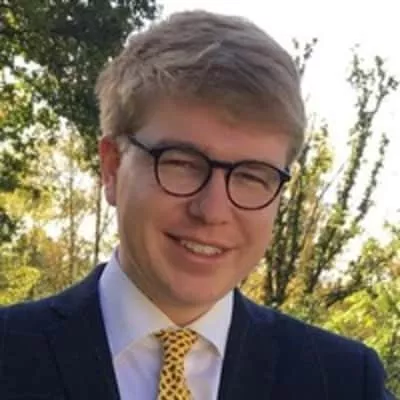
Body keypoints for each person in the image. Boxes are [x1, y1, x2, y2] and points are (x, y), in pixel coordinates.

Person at [0, 10, 395, 400]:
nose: (213, 211)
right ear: (112, 168)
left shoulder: (342, 381)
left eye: (251, 176)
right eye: (182, 164)